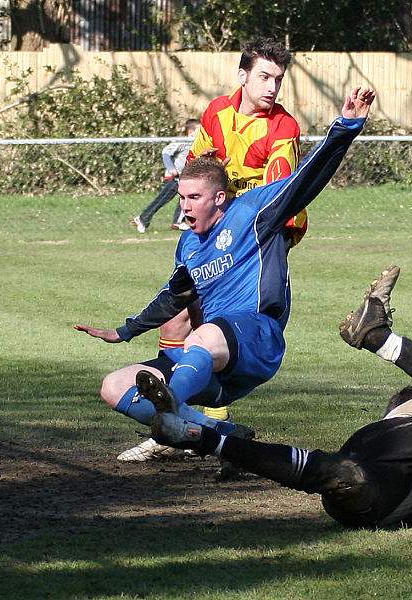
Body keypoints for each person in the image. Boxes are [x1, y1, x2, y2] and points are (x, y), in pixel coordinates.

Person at [74, 87, 377, 461]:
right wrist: (125, 331)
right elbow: (176, 296)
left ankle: (171, 407)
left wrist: (346, 126)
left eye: (193, 199)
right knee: (115, 386)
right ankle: (222, 433)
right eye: (181, 198)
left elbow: (308, 177)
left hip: (256, 340)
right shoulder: (188, 245)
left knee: (201, 336)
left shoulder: (254, 213)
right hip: (213, 364)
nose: (184, 208)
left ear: (219, 198)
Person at [147, 266, 412, 528]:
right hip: (378, 469)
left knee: (347, 474)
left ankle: (196, 436)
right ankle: (376, 337)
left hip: (372, 484)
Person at [119, 38, 307, 463]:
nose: (273, 87)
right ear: (242, 76)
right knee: (180, 318)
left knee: (213, 325)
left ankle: (201, 431)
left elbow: (275, 192)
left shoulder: (283, 128)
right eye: (264, 76)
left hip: (256, 235)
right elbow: (200, 168)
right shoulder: (217, 113)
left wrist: (231, 225)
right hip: (214, 226)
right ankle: (188, 424)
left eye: (279, 79)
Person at [131, 118, 201, 234]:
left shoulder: (198, 143)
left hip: (184, 177)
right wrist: (171, 168)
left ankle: (178, 221)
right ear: (191, 132)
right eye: (200, 129)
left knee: (188, 196)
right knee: (163, 199)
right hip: (174, 178)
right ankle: (142, 219)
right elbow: (166, 152)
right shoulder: (183, 141)